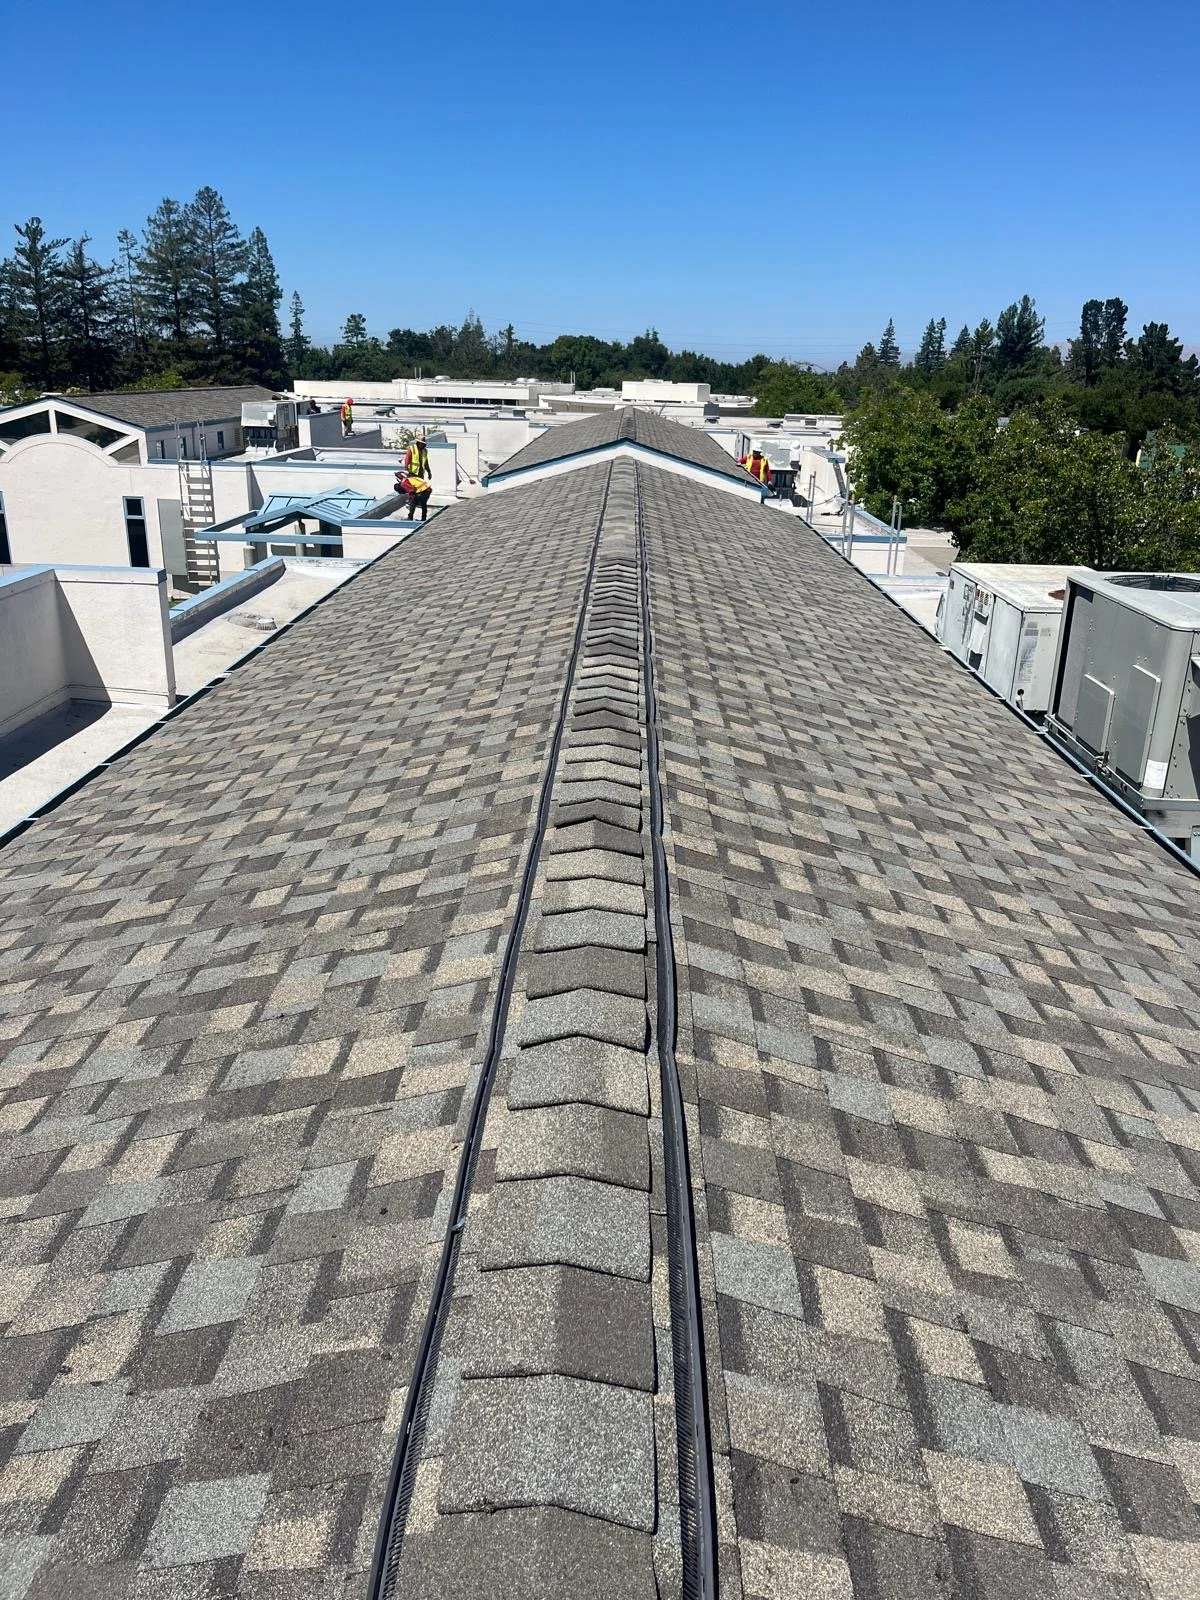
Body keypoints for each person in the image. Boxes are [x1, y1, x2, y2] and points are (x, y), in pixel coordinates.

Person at [400, 433, 433, 521]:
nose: (422, 444)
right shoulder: (412, 449)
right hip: (412, 474)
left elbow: (426, 463)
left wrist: (429, 472)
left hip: (420, 475)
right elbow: (407, 459)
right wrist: (406, 469)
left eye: (423, 443)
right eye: (421, 443)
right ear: (418, 442)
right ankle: (411, 509)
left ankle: (422, 515)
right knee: (413, 493)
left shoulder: (425, 451)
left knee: (420, 494)